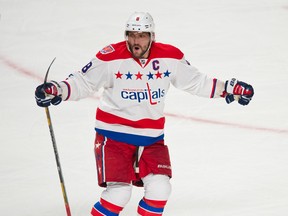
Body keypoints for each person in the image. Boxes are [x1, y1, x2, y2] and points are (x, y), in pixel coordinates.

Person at [35, 12, 254, 216]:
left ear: (152, 36)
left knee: (160, 189)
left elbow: (198, 82)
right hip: (113, 137)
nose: (135, 40)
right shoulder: (110, 57)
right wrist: (58, 89)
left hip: (151, 139)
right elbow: (83, 82)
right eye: (131, 35)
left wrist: (230, 89)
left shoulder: (170, 57)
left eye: (141, 35)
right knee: (119, 194)